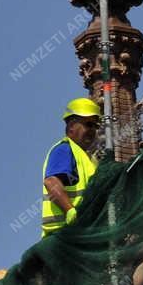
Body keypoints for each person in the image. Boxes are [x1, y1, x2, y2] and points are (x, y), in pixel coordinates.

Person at [41, 98, 102, 236]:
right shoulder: (65, 149)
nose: (92, 130)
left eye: (95, 126)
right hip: (63, 234)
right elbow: (51, 182)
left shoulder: (90, 160)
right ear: (71, 126)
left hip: (86, 232)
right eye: (88, 124)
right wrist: (70, 211)